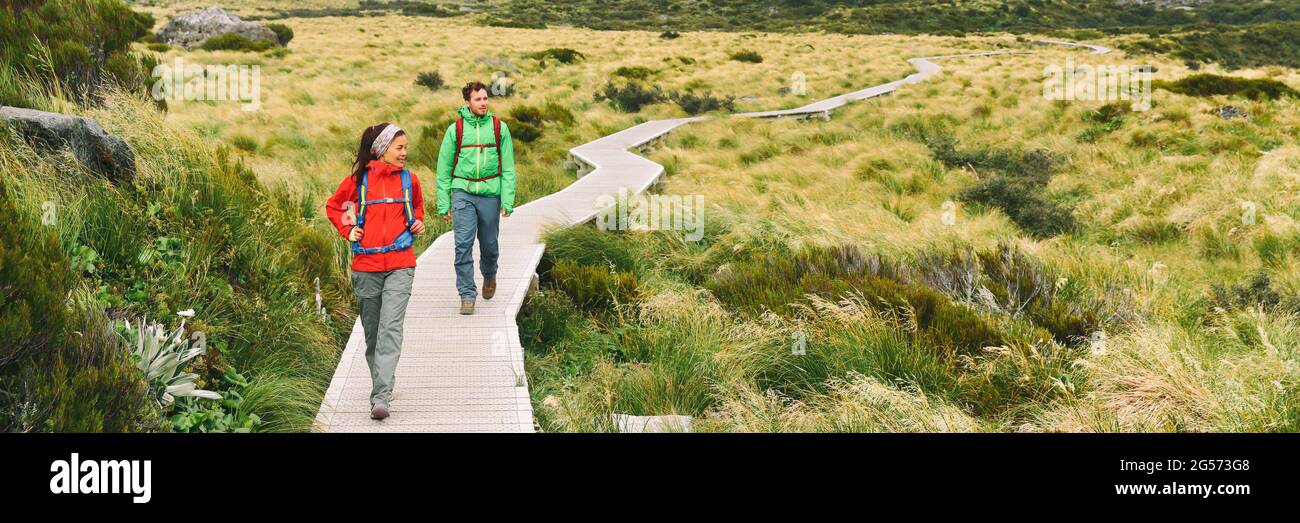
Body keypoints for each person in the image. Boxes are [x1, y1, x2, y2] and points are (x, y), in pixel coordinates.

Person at [325, 122, 426, 420]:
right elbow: (335, 207)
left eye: (406, 147)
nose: (405, 153)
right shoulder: (357, 183)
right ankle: (384, 382)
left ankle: (380, 397)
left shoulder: (410, 180)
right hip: (366, 266)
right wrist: (348, 229)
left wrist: (417, 224)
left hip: (401, 264)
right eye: (400, 148)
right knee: (372, 334)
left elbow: (417, 210)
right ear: (382, 150)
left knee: (390, 329)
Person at [436, 81, 516, 315]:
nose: (483, 103)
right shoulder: (456, 130)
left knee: (490, 246)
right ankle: (467, 294)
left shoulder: (500, 128)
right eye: (478, 99)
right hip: (463, 193)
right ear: (467, 102)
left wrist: (507, 200)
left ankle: (490, 275)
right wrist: (444, 203)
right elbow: (443, 170)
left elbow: (509, 168)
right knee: (462, 245)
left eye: (485, 98)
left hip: (490, 193)